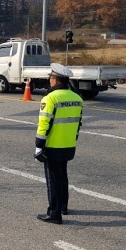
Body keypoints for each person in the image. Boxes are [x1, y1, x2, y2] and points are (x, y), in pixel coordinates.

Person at [34, 63, 83, 225]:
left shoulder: (51, 98)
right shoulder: (77, 98)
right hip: (69, 145)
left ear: (55, 80)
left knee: (53, 179)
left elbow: (44, 124)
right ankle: (63, 206)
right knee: (62, 176)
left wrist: (39, 145)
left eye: (51, 77)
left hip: (53, 145)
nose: (49, 80)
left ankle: (54, 213)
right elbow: (78, 123)